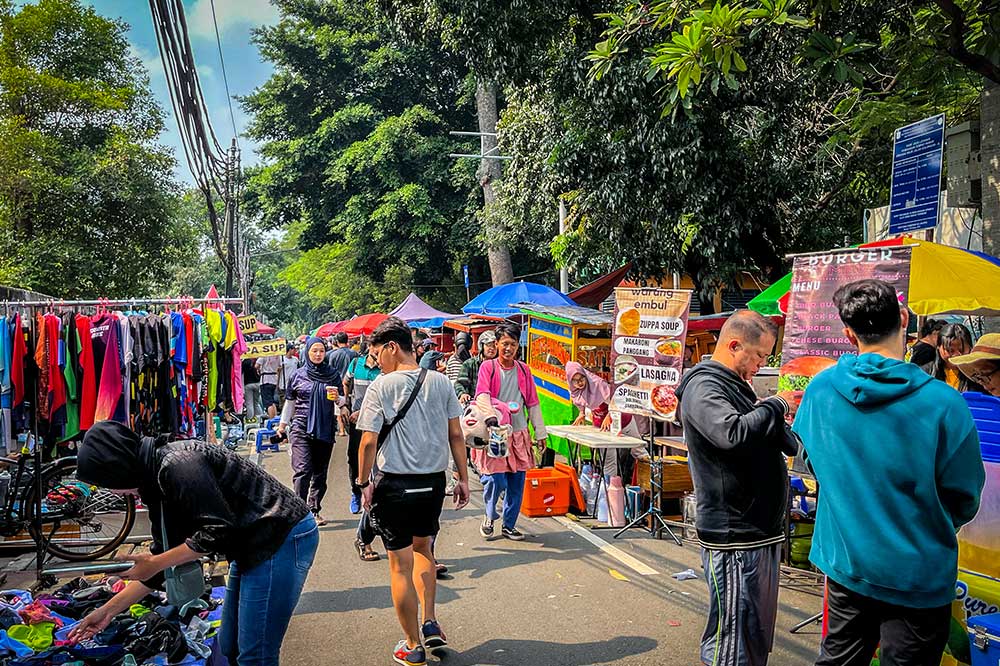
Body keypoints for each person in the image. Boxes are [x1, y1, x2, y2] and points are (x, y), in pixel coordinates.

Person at [793, 279, 985, 666]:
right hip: (918, 573)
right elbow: (965, 495)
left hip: (848, 564)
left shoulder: (821, 390)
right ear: (903, 317)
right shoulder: (944, 403)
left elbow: (812, 463)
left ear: (848, 333)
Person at [68, 421, 318, 665]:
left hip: (282, 535)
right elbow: (159, 567)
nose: (114, 493)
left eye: (109, 484)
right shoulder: (153, 479)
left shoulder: (178, 465)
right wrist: (107, 612)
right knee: (229, 645)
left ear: (118, 469)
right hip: (251, 543)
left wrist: (155, 563)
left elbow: (218, 532)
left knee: (254, 654)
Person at [674, 310, 799, 666]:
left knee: (754, 634)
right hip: (735, 536)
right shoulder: (703, 386)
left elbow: (776, 439)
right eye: (759, 356)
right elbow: (731, 434)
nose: (761, 364)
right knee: (733, 641)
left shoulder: (735, 385)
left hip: (759, 532)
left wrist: (782, 420)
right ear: (733, 345)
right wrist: (776, 404)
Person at [355, 316, 469, 666]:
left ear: (392, 346)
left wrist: (363, 484)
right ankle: (430, 620)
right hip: (433, 483)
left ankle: (411, 644)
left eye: (377, 354)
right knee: (425, 550)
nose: (376, 362)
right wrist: (462, 478)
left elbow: (368, 441)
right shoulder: (441, 383)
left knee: (399, 565)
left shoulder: (381, 387)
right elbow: (455, 435)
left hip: (396, 485)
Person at [473, 322, 548, 541]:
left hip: (519, 434)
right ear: (496, 344)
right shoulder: (488, 367)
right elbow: (482, 394)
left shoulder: (524, 370)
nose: (508, 348)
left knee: (517, 483)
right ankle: (489, 514)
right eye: (505, 344)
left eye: (513, 345)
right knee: (496, 480)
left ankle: (509, 525)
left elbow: (533, 403)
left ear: (518, 347)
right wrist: (491, 418)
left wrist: (540, 433)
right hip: (497, 433)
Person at [278, 336, 343, 526]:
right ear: (307, 352)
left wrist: (338, 399)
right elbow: (289, 403)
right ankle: (299, 512)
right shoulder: (297, 375)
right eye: (314, 351)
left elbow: (342, 402)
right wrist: (282, 426)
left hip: (324, 427)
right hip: (300, 426)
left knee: (320, 474)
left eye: (321, 351)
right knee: (303, 469)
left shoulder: (332, 374)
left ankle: (314, 509)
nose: (318, 354)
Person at [565, 361, 647, 480]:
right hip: (602, 427)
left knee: (639, 450)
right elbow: (579, 400)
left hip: (623, 421)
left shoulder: (598, 384)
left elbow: (616, 400)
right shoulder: (574, 390)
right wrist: (582, 413)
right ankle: (610, 490)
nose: (580, 382)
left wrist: (610, 415)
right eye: (575, 380)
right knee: (609, 460)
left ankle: (651, 484)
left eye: (582, 378)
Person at [345, 341, 381, 520]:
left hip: (378, 422)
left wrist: (362, 411)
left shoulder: (385, 369)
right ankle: (356, 492)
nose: (378, 351)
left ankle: (375, 496)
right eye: (376, 347)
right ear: (370, 347)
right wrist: (346, 405)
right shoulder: (355, 364)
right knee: (354, 459)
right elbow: (346, 383)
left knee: (377, 459)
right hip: (356, 422)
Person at [922, 322, 987, 393]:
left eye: (961, 350)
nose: (956, 355)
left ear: (970, 347)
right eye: (950, 350)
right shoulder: (925, 374)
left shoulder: (980, 376)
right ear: (938, 347)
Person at [327, 332, 358, 437]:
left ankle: (341, 430)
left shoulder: (333, 355)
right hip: (353, 384)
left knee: (339, 407)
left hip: (339, 384)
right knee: (352, 405)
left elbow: (330, 371)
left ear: (336, 341)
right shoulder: (354, 354)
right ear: (347, 340)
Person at [455, 331, 497, 405]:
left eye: (494, 346)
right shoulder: (469, 364)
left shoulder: (499, 365)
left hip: (496, 404)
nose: (492, 348)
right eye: (488, 345)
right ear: (481, 346)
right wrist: (462, 394)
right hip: (474, 405)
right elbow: (460, 383)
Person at [257, 353, 281, 419]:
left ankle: (271, 419)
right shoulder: (277, 355)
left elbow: (256, 365)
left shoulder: (264, 355)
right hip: (274, 379)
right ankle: (275, 419)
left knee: (268, 403)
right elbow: (280, 367)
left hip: (265, 380)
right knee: (272, 401)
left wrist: (259, 369)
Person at [241, 357, 263, 424]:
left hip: (248, 384)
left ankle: (250, 420)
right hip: (257, 383)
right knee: (256, 403)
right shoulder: (257, 361)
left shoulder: (245, 362)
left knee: (249, 403)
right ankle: (260, 419)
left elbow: (241, 374)